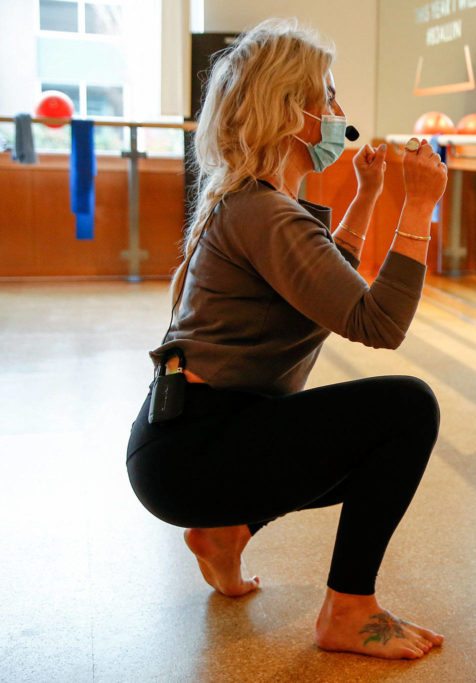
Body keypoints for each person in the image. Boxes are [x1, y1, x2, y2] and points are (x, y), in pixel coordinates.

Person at [125, 19, 447, 660]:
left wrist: (369, 195)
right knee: (408, 409)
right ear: (290, 112)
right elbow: (379, 323)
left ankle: (226, 531)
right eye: (328, 96)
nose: (338, 110)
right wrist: (417, 208)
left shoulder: (253, 204)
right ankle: (349, 610)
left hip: (183, 447)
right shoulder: (265, 212)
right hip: (196, 452)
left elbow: (327, 281)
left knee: (361, 429)